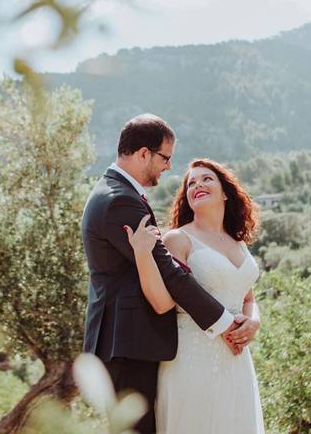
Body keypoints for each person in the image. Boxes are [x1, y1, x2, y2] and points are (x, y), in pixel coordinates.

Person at [81, 115, 245, 434]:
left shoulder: (115, 193)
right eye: (165, 158)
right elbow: (168, 271)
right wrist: (224, 322)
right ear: (144, 153)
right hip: (126, 344)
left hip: (127, 342)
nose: (168, 167)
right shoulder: (120, 201)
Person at [125, 158, 265, 434]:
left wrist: (254, 322)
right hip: (191, 360)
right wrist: (142, 254)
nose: (197, 185)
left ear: (225, 192)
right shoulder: (178, 240)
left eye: (206, 179)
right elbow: (161, 303)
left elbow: (248, 298)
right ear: (187, 197)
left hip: (236, 360)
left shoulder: (238, 242)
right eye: (191, 183)